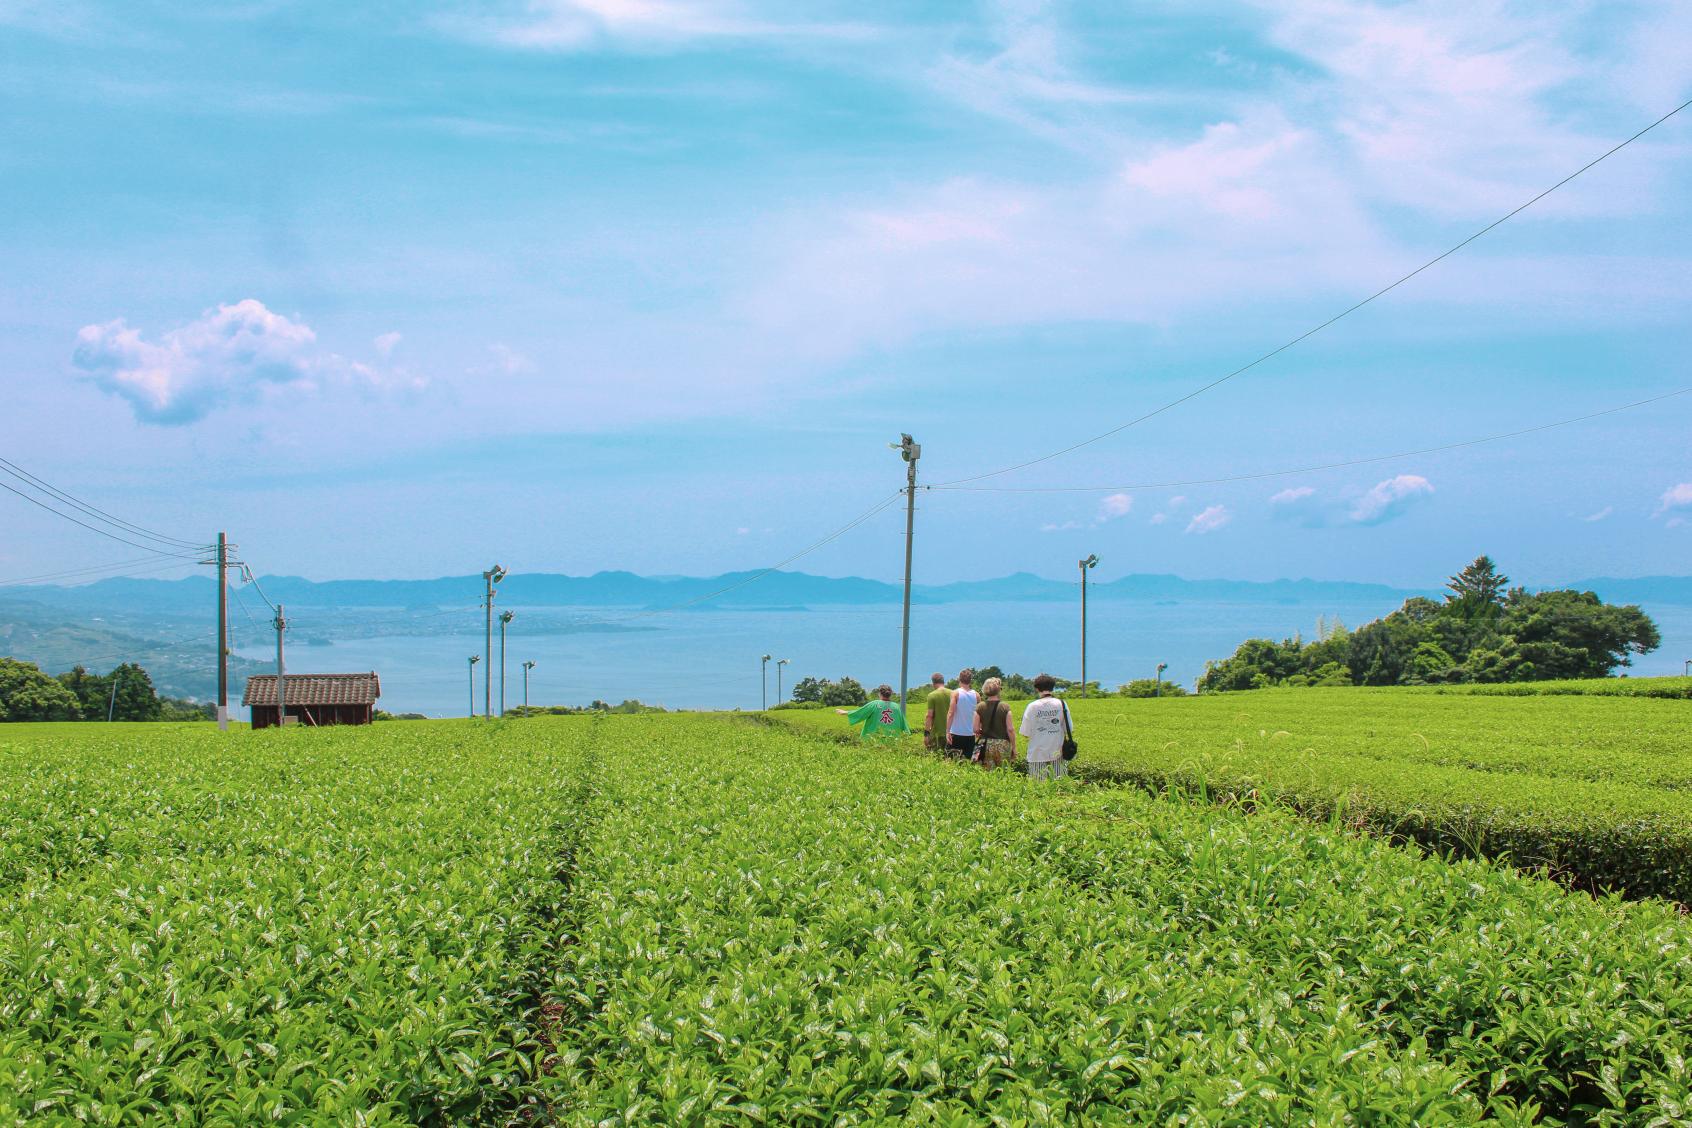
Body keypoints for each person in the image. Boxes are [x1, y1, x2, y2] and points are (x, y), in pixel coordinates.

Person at [1019, 672, 1071, 780]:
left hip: (1037, 752)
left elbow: (1025, 732)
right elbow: (1069, 728)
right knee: (1059, 785)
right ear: (1053, 687)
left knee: (1038, 787)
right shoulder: (1061, 703)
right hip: (1058, 751)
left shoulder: (1032, 706)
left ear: (1037, 689)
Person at [836, 683, 911, 742]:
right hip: (893, 740)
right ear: (890, 694)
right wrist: (907, 736)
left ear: (879, 694)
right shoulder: (896, 707)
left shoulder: (875, 704)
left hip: (874, 740)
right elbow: (903, 724)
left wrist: (845, 712)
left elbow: (861, 712)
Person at [973, 677, 1015, 770]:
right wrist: (1014, 748)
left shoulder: (979, 707)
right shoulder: (1005, 707)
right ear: (998, 690)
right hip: (1003, 744)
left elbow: (975, 728)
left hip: (984, 744)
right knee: (1003, 773)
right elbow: (1010, 729)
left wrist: (982, 731)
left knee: (986, 774)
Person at [945, 668, 979, 761]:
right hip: (970, 735)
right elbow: (980, 714)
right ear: (970, 680)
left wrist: (947, 731)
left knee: (950, 761)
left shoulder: (955, 693)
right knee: (967, 763)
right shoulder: (976, 695)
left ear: (959, 679)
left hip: (956, 733)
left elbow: (951, 712)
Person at [922, 673, 950, 753]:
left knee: (936, 758)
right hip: (952, 733)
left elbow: (929, 716)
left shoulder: (932, 695)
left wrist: (926, 734)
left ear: (933, 683)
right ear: (943, 682)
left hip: (937, 734)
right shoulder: (953, 693)